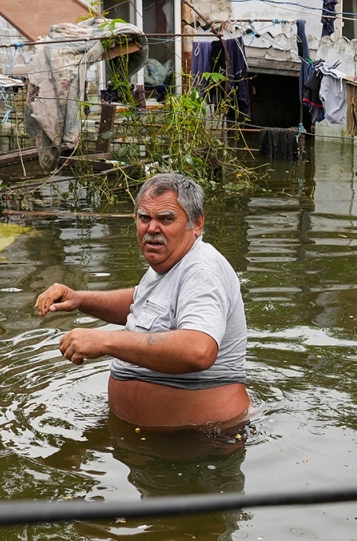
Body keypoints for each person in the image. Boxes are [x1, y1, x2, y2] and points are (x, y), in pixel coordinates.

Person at [35, 173, 249, 428]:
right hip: (150, 441)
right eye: (144, 218)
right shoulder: (171, 262)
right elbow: (143, 302)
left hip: (201, 442)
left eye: (166, 219)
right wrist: (79, 299)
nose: (152, 229)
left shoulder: (201, 271)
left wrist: (104, 340)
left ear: (197, 223)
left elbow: (199, 351)